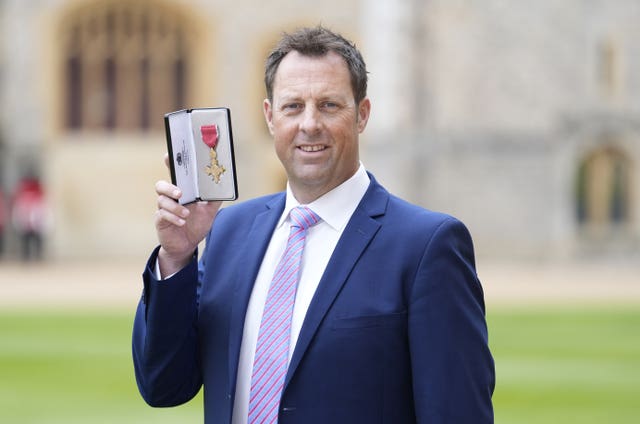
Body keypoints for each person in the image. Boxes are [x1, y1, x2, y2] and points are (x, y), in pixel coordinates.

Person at [133, 26, 495, 423]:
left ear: (362, 114)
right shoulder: (230, 231)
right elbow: (163, 386)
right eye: (293, 107)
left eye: (328, 105)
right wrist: (178, 256)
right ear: (270, 117)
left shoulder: (427, 245)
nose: (309, 124)